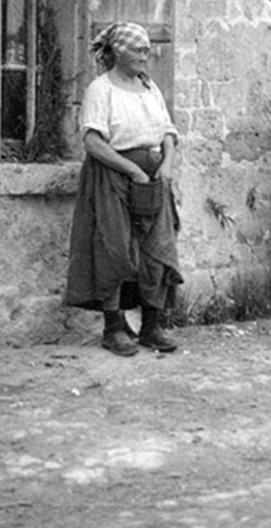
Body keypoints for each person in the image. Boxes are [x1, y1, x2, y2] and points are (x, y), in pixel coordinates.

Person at [64, 21, 183, 356]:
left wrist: (167, 166)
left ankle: (151, 326)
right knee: (115, 249)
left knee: (158, 248)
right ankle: (114, 328)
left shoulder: (150, 88)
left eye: (147, 50)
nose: (146, 57)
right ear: (119, 50)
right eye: (140, 50)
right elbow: (92, 141)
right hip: (113, 178)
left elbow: (168, 133)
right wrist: (131, 169)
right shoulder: (101, 90)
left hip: (154, 177)